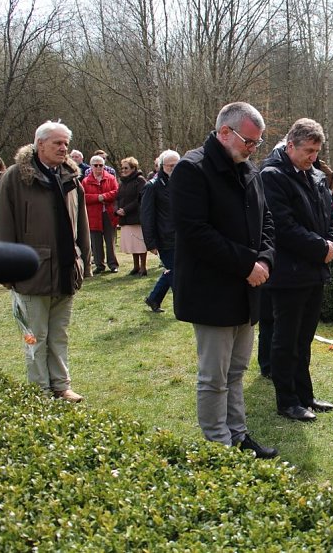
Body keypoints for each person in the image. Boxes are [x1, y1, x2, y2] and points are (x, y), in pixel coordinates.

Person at [171, 101, 278, 459]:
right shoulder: (192, 169)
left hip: (247, 288)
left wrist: (264, 258)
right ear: (224, 133)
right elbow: (195, 233)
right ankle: (217, 444)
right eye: (249, 141)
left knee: (236, 370)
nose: (252, 149)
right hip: (212, 289)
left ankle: (238, 433)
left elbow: (267, 222)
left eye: (257, 143)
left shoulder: (248, 169)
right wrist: (248, 264)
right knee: (213, 376)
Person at [0, 121, 91, 402]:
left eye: (66, 144)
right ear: (39, 143)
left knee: (59, 335)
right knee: (35, 338)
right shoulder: (14, 178)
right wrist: (6, 269)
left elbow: (81, 225)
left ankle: (61, 385)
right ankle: (40, 391)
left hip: (66, 270)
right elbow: (2, 226)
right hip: (31, 273)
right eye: (57, 143)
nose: (64, 148)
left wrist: (84, 261)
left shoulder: (71, 177)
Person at [260, 118, 333, 422]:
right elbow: (282, 226)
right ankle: (287, 400)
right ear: (290, 145)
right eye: (308, 151)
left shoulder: (316, 175)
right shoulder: (272, 176)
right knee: (286, 339)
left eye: (316, 151)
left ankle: (305, 395)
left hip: (313, 270)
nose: (312, 157)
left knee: (304, 338)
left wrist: (332, 242)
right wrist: (321, 248)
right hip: (288, 272)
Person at [141, 150, 179, 313]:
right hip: (164, 238)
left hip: (181, 236)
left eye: (177, 165)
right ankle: (182, 305)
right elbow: (147, 216)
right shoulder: (152, 186)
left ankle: (154, 298)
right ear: (161, 167)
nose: (173, 168)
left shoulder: (182, 183)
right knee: (176, 273)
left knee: (175, 269)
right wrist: (151, 243)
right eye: (170, 166)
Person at [82, 155, 120, 273]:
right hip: (93, 215)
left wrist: (103, 196)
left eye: (101, 165)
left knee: (110, 240)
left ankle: (113, 265)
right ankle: (99, 265)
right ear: (91, 166)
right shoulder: (85, 181)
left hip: (108, 214)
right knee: (96, 241)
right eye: (96, 165)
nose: (98, 167)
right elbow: (83, 197)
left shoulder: (110, 178)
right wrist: (97, 198)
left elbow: (116, 192)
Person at [116, 157, 148, 276]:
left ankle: (143, 268)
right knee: (132, 244)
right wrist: (117, 210)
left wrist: (126, 209)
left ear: (133, 168)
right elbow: (118, 198)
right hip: (125, 218)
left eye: (126, 168)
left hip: (136, 217)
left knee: (140, 244)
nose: (123, 170)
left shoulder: (140, 181)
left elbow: (140, 198)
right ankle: (136, 266)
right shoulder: (123, 182)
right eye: (122, 168)